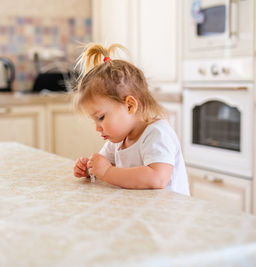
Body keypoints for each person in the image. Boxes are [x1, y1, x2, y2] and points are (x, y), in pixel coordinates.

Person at [72, 43, 190, 196]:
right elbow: (103, 163)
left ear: (129, 106)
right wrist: (90, 169)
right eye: (94, 120)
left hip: (170, 215)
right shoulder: (118, 140)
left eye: (101, 117)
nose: (97, 128)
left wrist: (107, 172)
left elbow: (157, 178)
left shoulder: (157, 134)